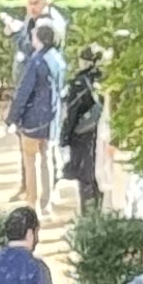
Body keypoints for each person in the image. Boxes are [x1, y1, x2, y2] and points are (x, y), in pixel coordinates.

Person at [6, 5, 65, 207]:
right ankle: (46, 202)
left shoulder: (36, 61)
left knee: (30, 161)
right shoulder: (58, 59)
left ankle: (32, 202)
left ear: (40, 37)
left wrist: (12, 118)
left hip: (33, 120)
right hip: (51, 119)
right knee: (46, 159)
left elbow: (23, 92)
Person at [59, 44, 107, 214]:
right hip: (101, 134)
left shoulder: (79, 83)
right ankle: (101, 214)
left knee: (85, 178)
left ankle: (87, 217)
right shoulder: (106, 80)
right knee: (100, 177)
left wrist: (65, 137)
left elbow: (71, 113)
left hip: (82, 136)